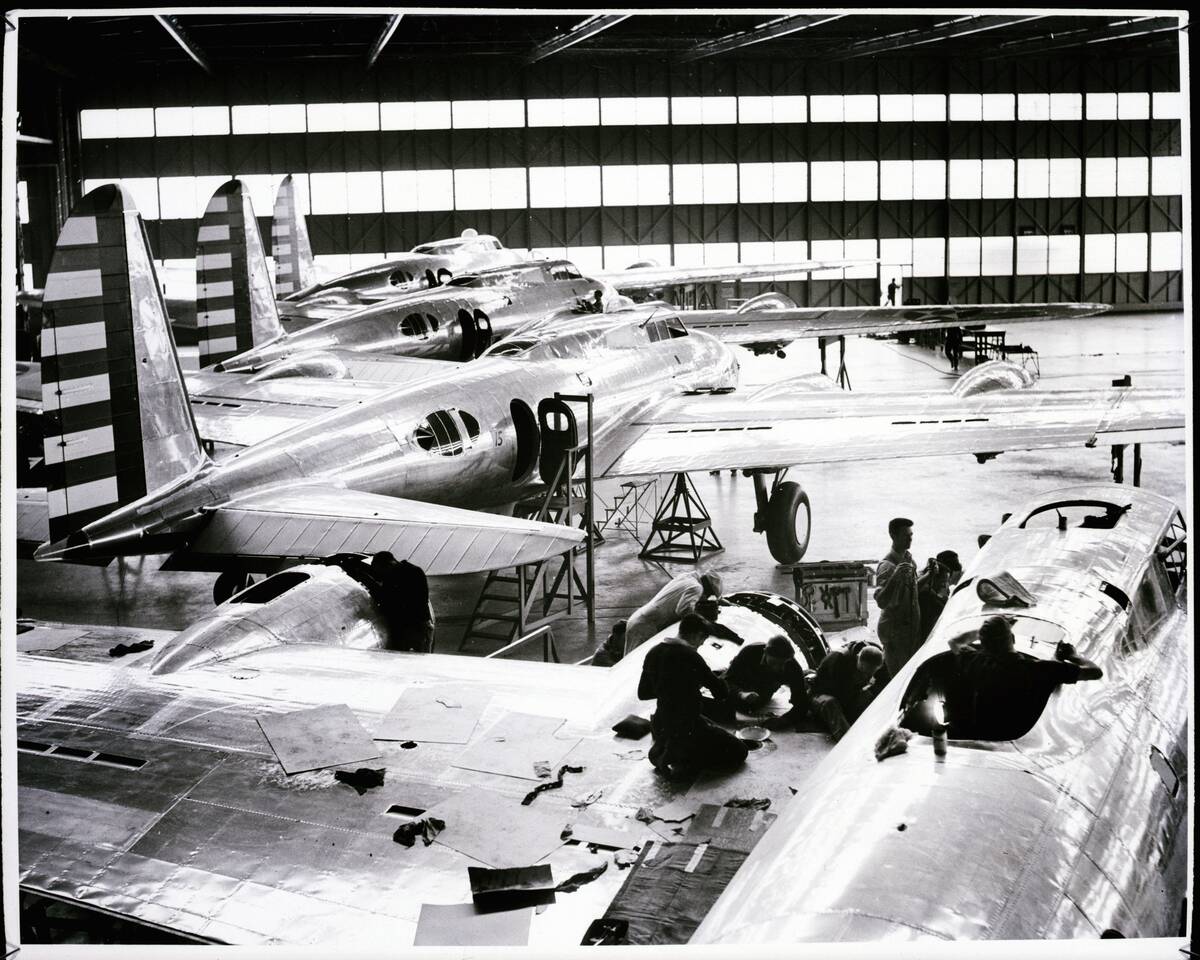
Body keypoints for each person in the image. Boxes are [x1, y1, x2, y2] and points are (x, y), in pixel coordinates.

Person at [950, 616, 1102, 740]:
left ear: (983, 644)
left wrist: (986, 631)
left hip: (982, 735)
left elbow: (955, 641)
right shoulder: (1040, 670)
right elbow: (1095, 672)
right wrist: (1073, 656)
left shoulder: (976, 663)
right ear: (1013, 638)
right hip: (1014, 736)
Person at [637, 614, 747, 778]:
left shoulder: (654, 652)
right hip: (687, 725)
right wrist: (717, 678)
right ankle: (682, 758)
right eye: (703, 639)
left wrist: (672, 687)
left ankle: (664, 748)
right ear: (697, 635)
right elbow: (721, 693)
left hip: (662, 722)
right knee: (739, 751)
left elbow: (643, 693)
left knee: (710, 727)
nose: (701, 644)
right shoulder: (690, 655)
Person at [625, 570, 739, 651]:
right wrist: (706, 624)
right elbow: (684, 611)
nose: (704, 598)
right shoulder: (696, 588)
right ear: (707, 588)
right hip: (646, 626)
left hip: (641, 619)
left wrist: (721, 600)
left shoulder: (687, 577)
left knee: (629, 663)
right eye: (708, 595)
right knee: (632, 666)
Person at [721, 634, 810, 731]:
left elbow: (802, 704)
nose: (778, 668)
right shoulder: (749, 652)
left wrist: (784, 720)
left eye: (783, 664)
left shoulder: (793, 667)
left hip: (763, 696)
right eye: (774, 663)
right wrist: (741, 693)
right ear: (765, 652)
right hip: (740, 689)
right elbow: (726, 681)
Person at [810, 640, 886, 741]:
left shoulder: (878, 658)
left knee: (871, 694)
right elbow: (835, 693)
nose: (867, 676)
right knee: (831, 703)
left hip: (849, 695)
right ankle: (848, 741)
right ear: (858, 658)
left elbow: (882, 684)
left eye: (870, 673)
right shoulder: (838, 659)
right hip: (822, 695)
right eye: (864, 671)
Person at [874, 518, 921, 677]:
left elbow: (912, 590)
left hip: (909, 632)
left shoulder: (909, 560)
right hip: (895, 634)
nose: (910, 539)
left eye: (911, 535)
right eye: (905, 535)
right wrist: (895, 576)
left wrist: (928, 574)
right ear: (893, 536)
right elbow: (881, 601)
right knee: (900, 678)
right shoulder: (887, 566)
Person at [370, 552, 436, 653]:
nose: (381, 574)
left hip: (415, 626)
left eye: (382, 570)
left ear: (390, 564)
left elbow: (396, 602)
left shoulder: (401, 575)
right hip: (419, 626)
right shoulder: (413, 571)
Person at [916, 550, 963, 642]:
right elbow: (941, 607)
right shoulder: (926, 590)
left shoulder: (938, 578)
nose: (946, 582)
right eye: (943, 581)